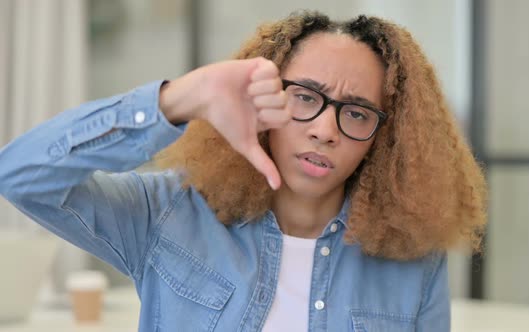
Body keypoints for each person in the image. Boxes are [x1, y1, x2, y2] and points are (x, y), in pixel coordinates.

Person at [0, 11, 486, 332]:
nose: (324, 130)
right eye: (305, 97)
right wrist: (178, 100)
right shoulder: (169, 214)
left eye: (357, 112)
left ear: (383, 138)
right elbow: (21, 175)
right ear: (265, 102)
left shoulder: (414, 261)